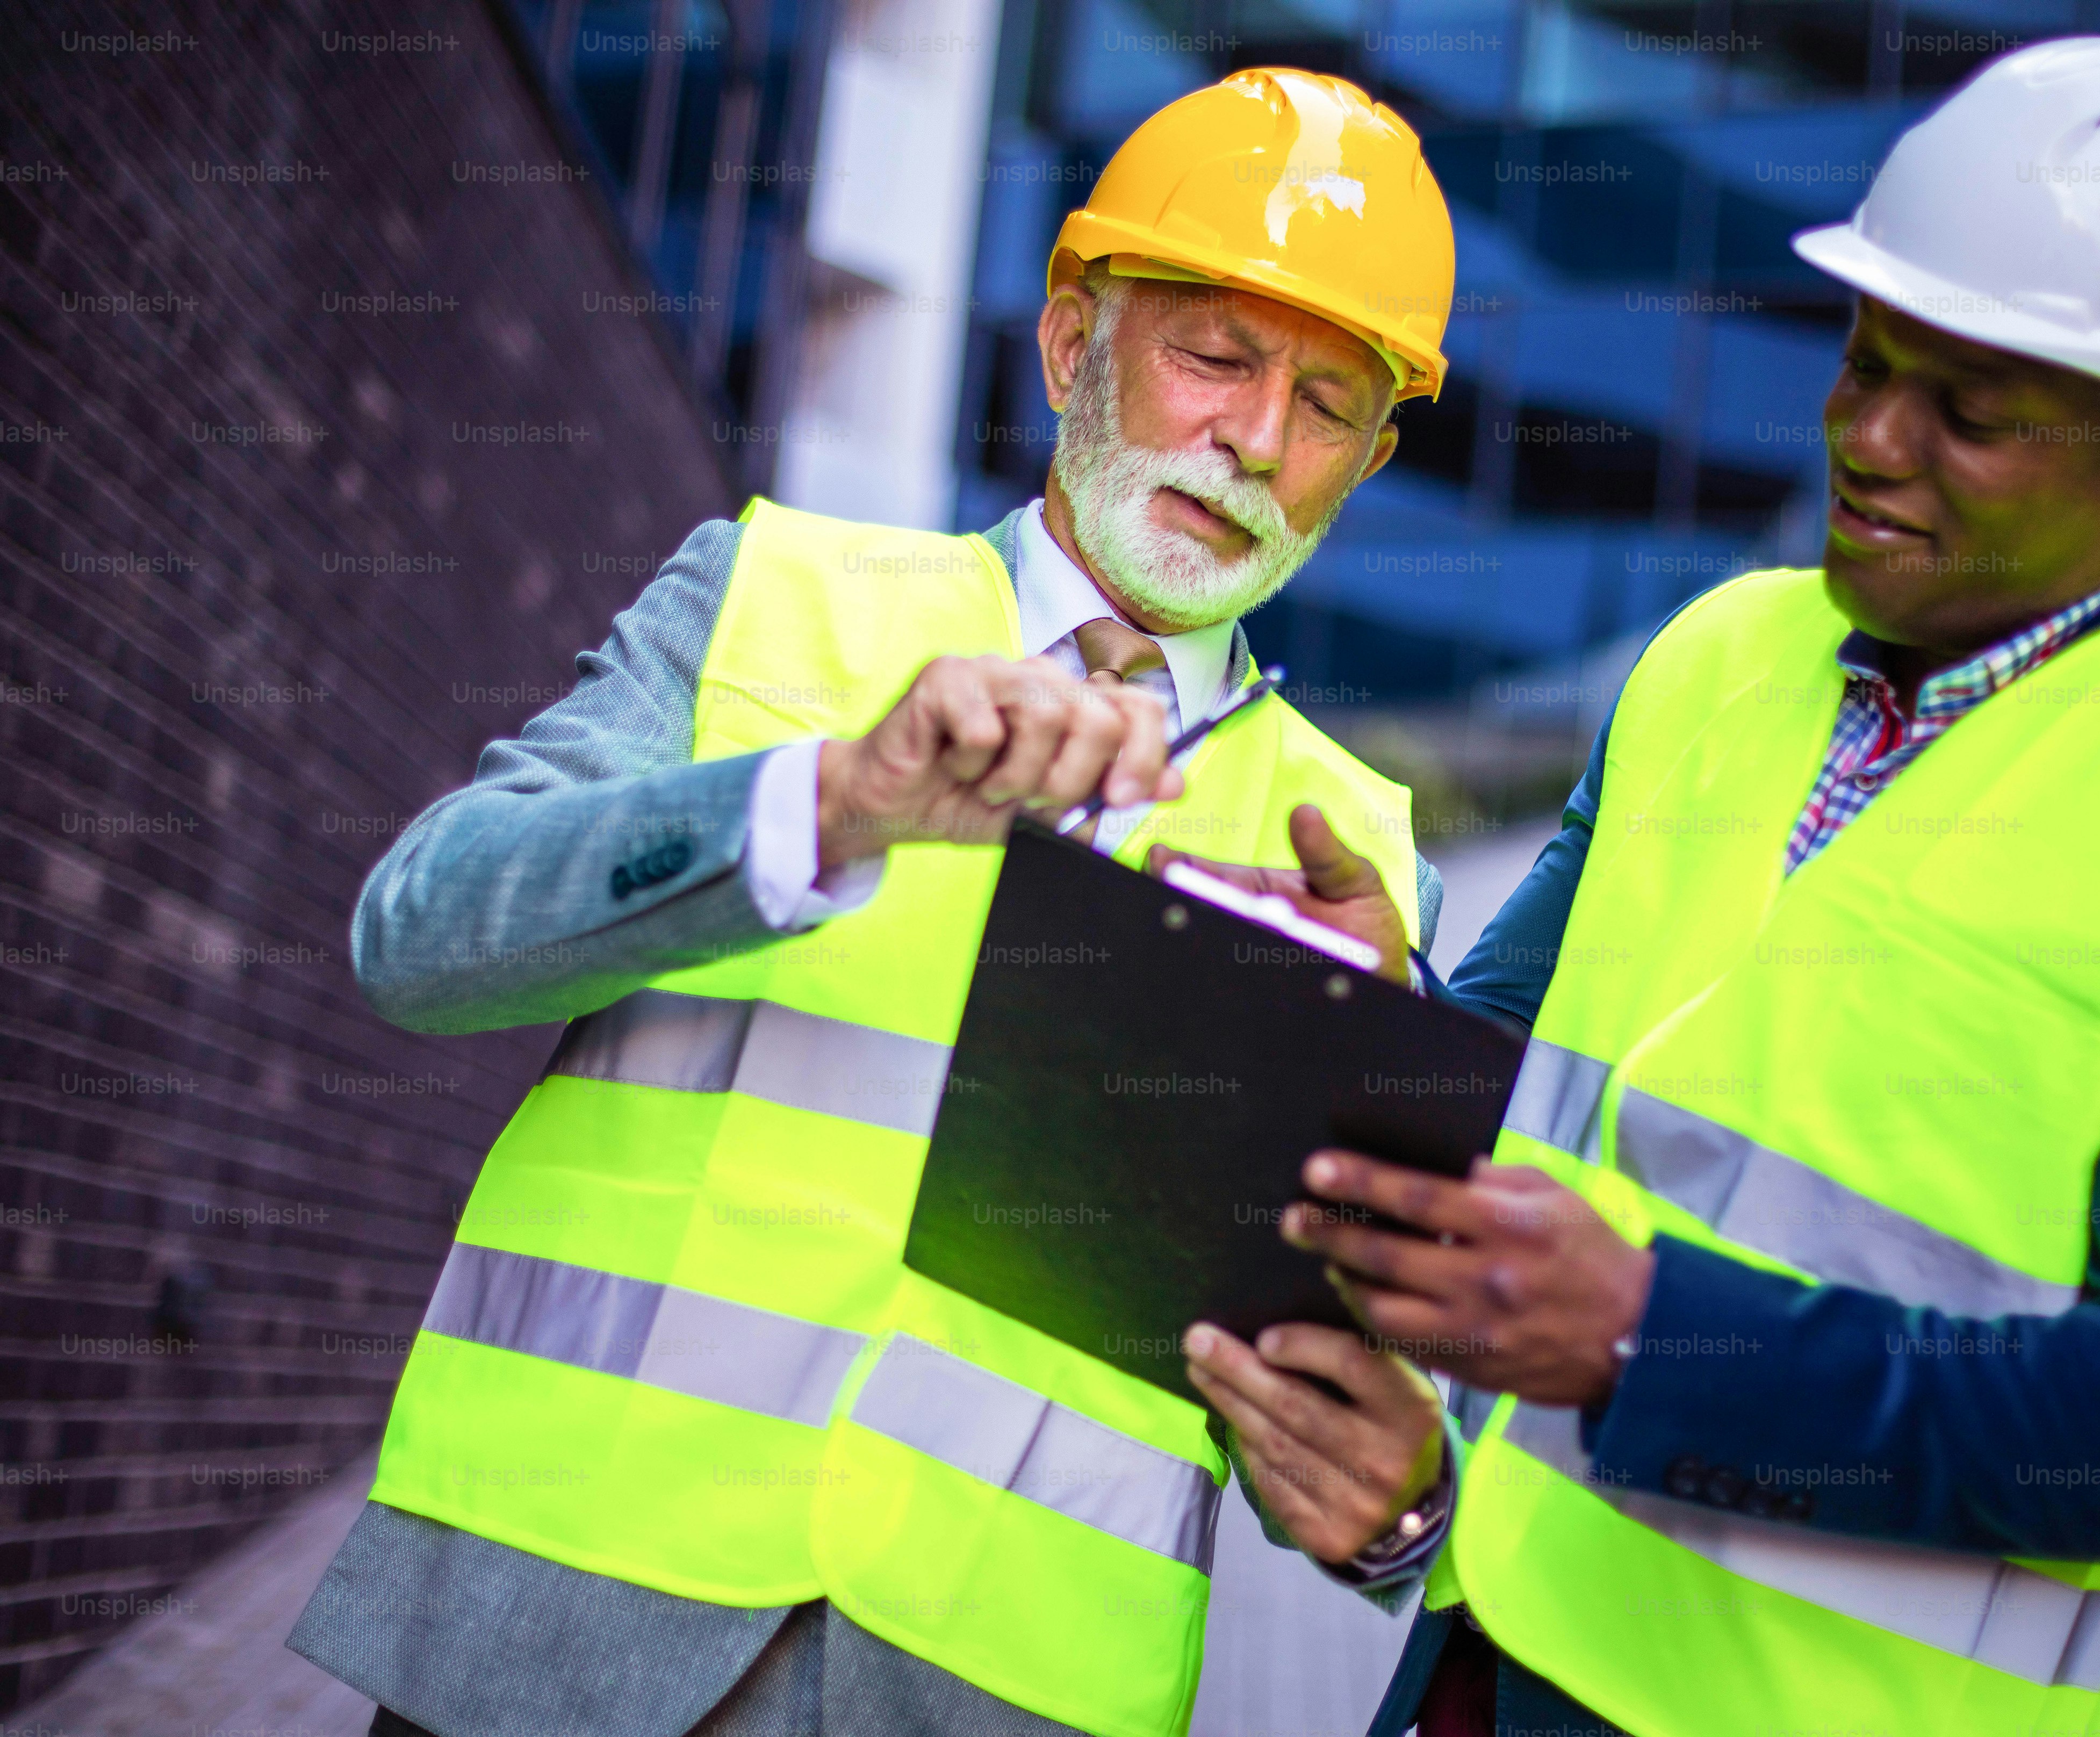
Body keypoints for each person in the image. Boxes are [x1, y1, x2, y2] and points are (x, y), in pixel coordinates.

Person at [1180, 38, 2100, 1737]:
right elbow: (1500, 1087)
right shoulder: (1715, 658)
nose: (1868, 439)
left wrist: (1654, 1340)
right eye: (1864, 365)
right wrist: (1372, 991)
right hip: (1490, 1674)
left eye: (1969, 413)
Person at [286, 69, 1461, 1737]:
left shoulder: (1372, 862)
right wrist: (832, 805)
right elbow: (417, 935)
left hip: (997, 1689)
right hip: (555, 1622)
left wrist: (1408, 1500)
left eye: (1328, 402)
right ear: (1071, 342)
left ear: (1368, 457)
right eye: (1212, 353)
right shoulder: (771, 594)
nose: (1257, 440)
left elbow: (1332, 1424)